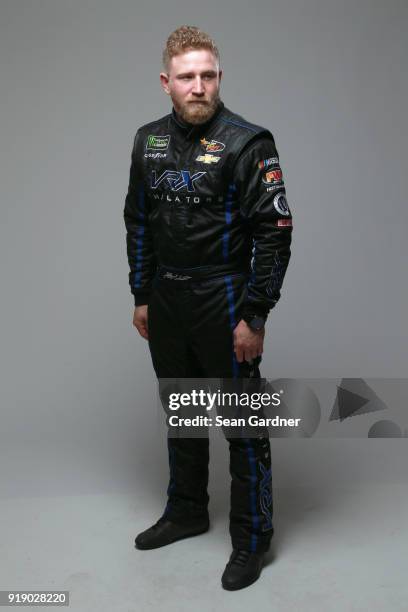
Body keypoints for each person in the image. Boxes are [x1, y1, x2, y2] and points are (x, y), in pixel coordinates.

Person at [123, 25, 293, 591]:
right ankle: (186, 511)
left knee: (243, 426)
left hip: (224, 299)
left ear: (220, 78)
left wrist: (256, 313)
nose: (199, 87)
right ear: (166, 82)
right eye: (188, 77)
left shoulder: (249, 142)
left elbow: (274, 232)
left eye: (209, 75)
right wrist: (142, 294)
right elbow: (138, 220)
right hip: (167, 300)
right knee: (183, 415)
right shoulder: (147, 141)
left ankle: (251, 539)